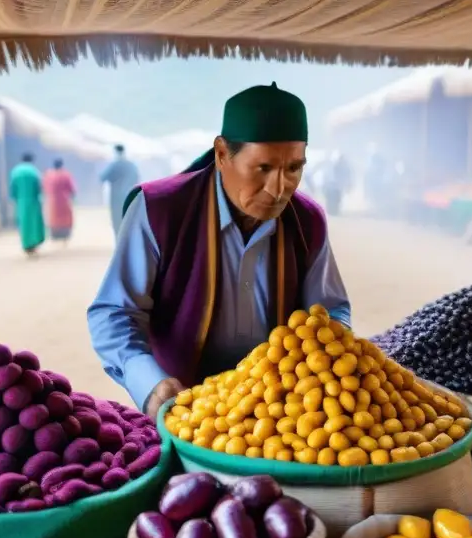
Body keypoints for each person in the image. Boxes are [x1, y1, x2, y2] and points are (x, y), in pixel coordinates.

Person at [87, 83, 351, 416]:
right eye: (264, 168)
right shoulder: (159, 210)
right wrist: (151, 383)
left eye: (294, 168)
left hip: (280, 416)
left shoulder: (308, 221)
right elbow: (114, 312)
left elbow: (330, 311)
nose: (279, 188)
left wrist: (330, 351)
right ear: (222, 154)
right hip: (184, 409)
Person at [8, 153, 45, 256]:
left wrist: (15, 198)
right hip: (33, 201)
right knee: (34, 224)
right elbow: (39, 187)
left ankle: (26, 245)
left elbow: (13, 187)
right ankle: (33, 244)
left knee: (24, 224)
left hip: (21, 201)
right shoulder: (34, 171)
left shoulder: (15, 171)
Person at [100, 144, 140, 237]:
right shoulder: (132, 165)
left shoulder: (114, 165)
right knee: (129, 220)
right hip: (130, 196)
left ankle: (120, 243)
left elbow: (102, 177)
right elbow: (137, 178)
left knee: (117, 222)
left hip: (116, 198)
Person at [42, 158, 76, 243]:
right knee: (65, 217)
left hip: (52, 200)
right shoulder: (66, 174)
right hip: (64, 199)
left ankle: (55, 235)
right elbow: (71, 188)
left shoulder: (48, 175)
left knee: (53, 218)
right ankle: (64, 235)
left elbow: (44, 187)